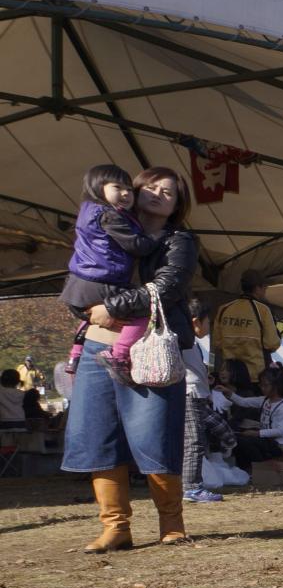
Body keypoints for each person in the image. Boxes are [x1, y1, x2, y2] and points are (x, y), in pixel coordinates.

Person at [60, 167, 198, 552]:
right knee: (96, 434)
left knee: (154, 435)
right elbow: (80, 277)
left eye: (167, 191)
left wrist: (109, 307)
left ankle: (172, 523)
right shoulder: (105, 224)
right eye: (150, 186)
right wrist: (87, 311)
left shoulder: (179, 241)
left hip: (148, 350)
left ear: (176, 204)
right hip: (96, 347)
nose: (157, 193)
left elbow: (167, 288)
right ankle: (115, 526)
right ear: (132, 192)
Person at [57, 164, 154, 383]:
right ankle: (118, 354)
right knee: (144, 310)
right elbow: (136, 245)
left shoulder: (87, 211)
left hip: (80, 282)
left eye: (129, 189)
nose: (126, 193)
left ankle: (77, 352)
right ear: (97, 188)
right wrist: (155, 241)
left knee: (101, 314)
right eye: (117, 187)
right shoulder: (109, 216)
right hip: (101, 279)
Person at [180, 298, 222, 504]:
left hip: (196, 393)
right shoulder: (183, 340)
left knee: (196, 440)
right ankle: (191, 487)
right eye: (208, 322)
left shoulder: (190, 341)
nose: (209, 326)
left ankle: (188, 485)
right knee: (194, 441)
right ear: (196, 321)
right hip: (190, 394)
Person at [222, 366, 283, 470]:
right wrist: (229, 393)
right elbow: (243, 402)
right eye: (261, 385)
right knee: (238, 440)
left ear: (277, 385)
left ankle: (256, 468)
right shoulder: (265, 400)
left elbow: (280, 431)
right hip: (267, 441)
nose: (262, 388)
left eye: (265, 385)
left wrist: (256, 433)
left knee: (247, 442)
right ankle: (246, 469)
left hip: (280, 445)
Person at [212, 270, 280, 377]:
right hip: (256, 375)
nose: (266, 290)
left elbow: (217, 343)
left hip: (230, 375)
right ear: (257, 288)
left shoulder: (224, 309)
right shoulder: (263, 310)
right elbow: (272, 343)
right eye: (264, 287)